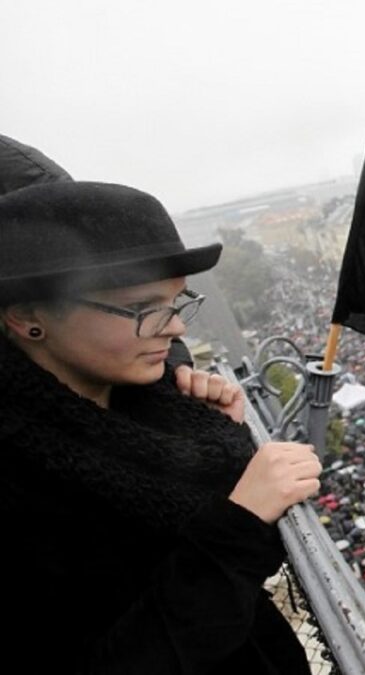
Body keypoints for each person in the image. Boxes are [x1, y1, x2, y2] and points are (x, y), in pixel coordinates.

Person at [0, 180, 322, 673]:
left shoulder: (156, 397)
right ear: (27, 317)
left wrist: (203, 420)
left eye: (178, 303)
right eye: (147, 310)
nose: (176, 328)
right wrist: (240, 525)